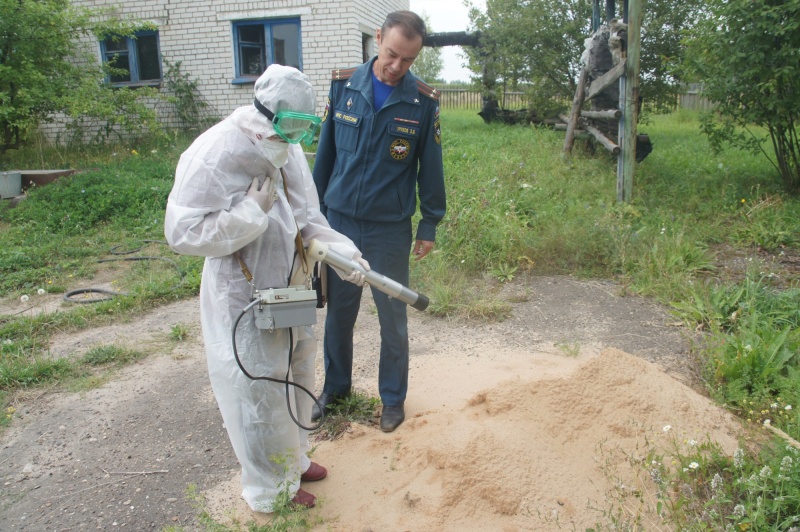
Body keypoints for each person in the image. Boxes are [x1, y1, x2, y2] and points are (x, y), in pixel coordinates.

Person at [164, 64, 369, 512]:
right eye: (288, 129)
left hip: (291, 285)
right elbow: (182, 233)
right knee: (259, 388)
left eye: (304, 129)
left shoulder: (288, 146)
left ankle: (294, 459)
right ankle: (269, 490)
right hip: (244, 292)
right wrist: (249, 214)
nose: (294, 139)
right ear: (263, 117)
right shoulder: (216, 151)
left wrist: (342, 250)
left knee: (298, 372)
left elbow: (307, 216)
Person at [312, 10, 446, 433]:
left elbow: (431, 167)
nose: (396, 66)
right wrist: (311, 217)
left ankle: (392, 399)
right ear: (377, 39)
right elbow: (325, 156)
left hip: (389, 228)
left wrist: (429, 225)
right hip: (340, 223)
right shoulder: (343, 86)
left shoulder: (422, 102)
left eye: (407, 60)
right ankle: (336, 389)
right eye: (391, 55)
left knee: (393, 316)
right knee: (339, 312)